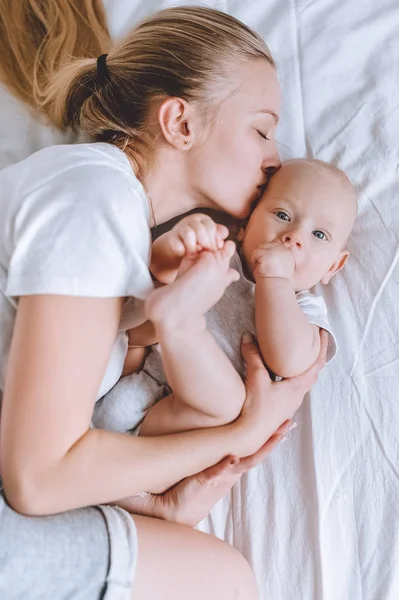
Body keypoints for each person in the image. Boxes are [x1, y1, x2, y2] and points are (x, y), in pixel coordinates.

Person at [0, 3, 327, 599]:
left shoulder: (117, 221)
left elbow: (48, 435)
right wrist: (242, 431)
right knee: (220, 580)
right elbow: (35, 477)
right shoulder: (91, 198)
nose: (276, 157)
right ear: (179, 122)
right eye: (261, 127)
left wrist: (155, 502)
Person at [94, 159, 356, 441]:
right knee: (139, 315)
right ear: (244, 226)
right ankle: (175, 321)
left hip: (183, 420)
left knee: (230, 403)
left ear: (333, 266)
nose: (293, 237)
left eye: (319, 234)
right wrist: (181, 242)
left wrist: (275, 280)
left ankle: (179, 322)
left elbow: (288, 361)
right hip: (136, 380)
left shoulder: (305, 311)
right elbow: (156, 273)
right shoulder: (219, 257)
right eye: (282, 215)